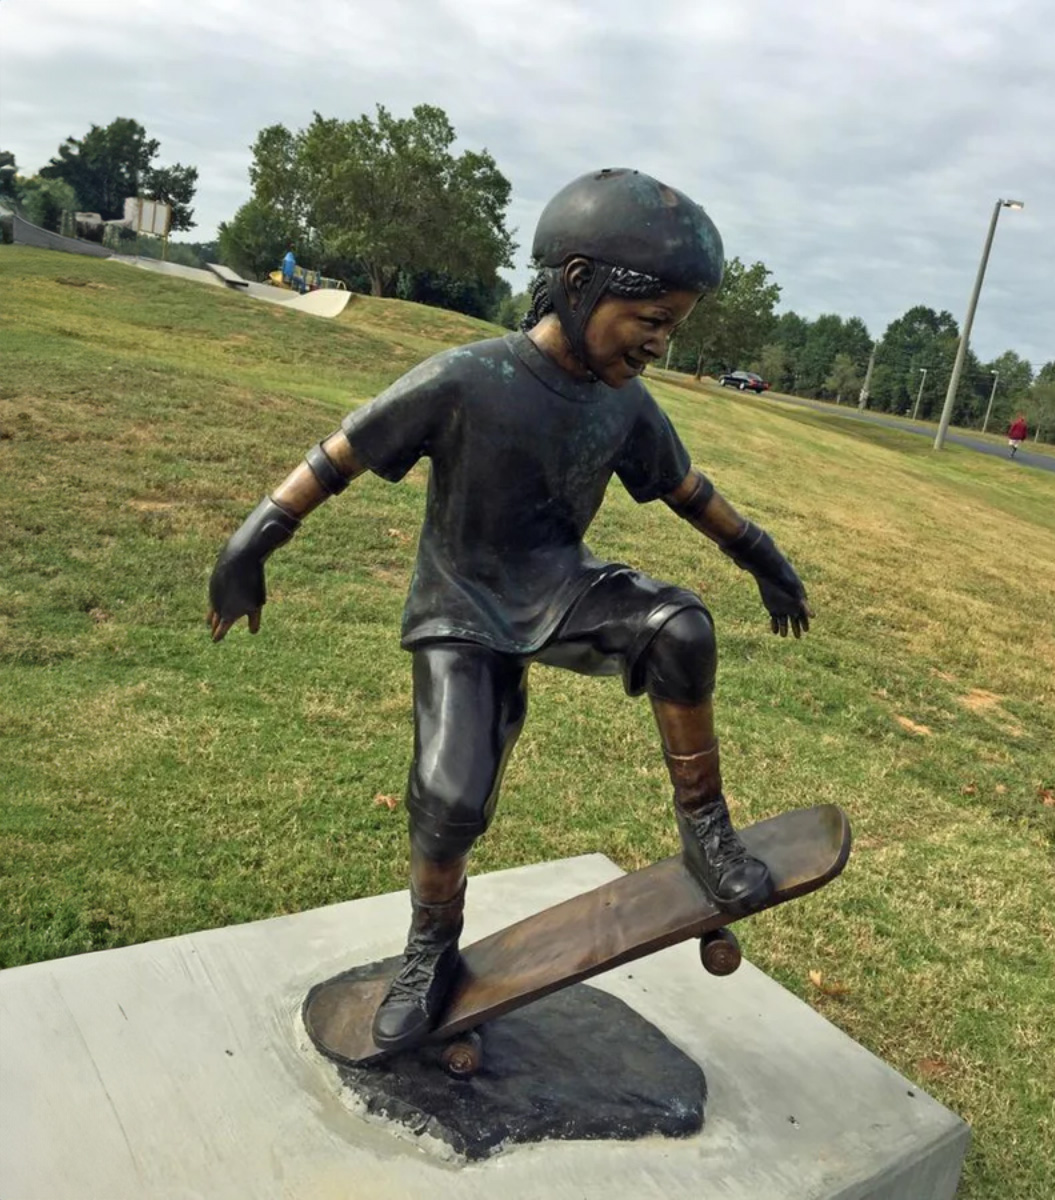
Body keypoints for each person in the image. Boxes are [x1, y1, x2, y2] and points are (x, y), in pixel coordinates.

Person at [208, 168, 812, 1053]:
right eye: (650, 323)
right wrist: (252, 542)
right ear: (578, 283)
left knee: (681, 627)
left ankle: (706, 834)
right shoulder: (466, 379)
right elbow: (338, 453)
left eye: (672, 330)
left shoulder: (625, 407)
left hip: (563, 588)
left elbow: (688, 491)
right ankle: (429, 949)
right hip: (460, 607)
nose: (658, 347)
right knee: (450, 799)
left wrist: (760, 555)